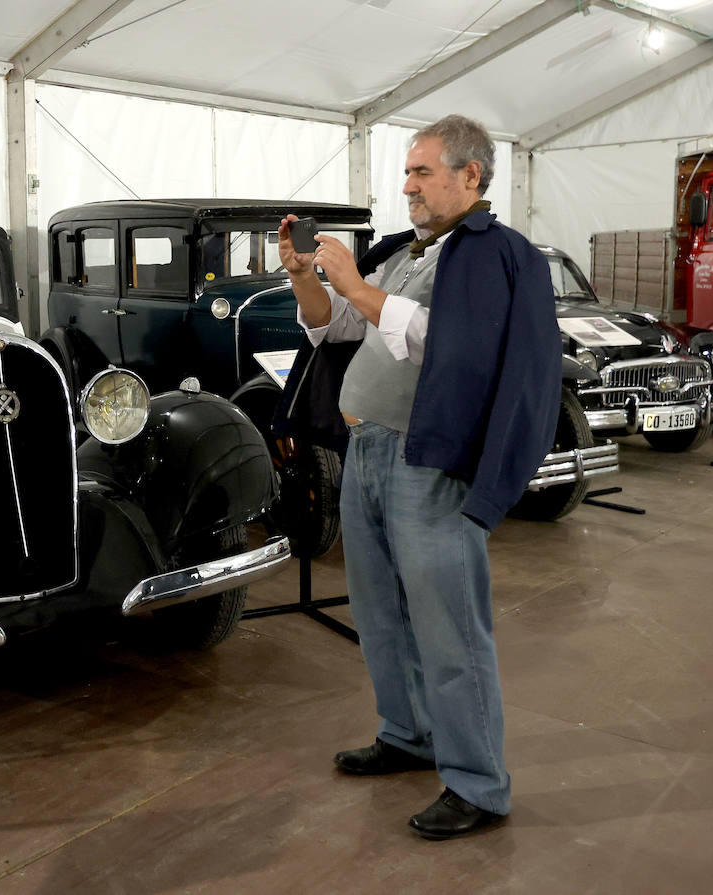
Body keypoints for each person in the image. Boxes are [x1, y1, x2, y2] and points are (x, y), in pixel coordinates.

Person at [277, 115, 560, 840]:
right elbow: (332, 327)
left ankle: (477, 782)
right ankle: (406, 733)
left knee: (449, 626)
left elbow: (451, 345)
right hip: (366, 452)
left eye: (423, 171)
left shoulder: (500, 256)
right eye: (406, 172)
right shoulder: (405, 252)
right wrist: (309, 278)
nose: (407, 185)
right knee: (379, 612)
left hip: (430, 461)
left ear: (471, 175)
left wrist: (356, 286)